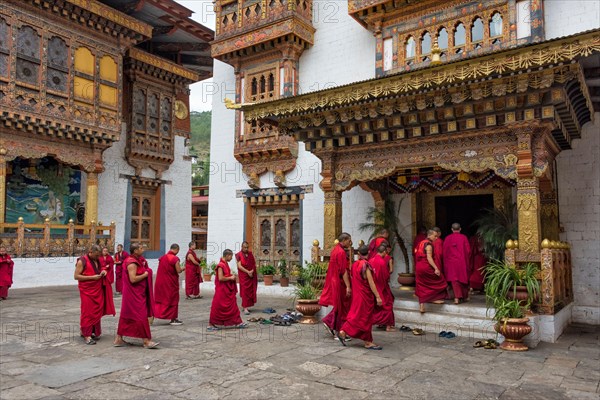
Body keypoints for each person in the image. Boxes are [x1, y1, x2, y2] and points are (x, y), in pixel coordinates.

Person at [114, 243, 159, 349]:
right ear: (135, 251)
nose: (143, 249)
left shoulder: (138, 260)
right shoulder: (131, 263)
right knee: (141, 316)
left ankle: (118, 339)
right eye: (141, 248)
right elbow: (133, 279)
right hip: (133, 295)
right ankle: (146, 341)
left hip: (138, 292)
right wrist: (146, 274)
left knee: (128, 314)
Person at [337, 245, 383, 350]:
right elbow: (371, 283)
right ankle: (366, 341)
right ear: (369, 253)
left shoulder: (355, 265)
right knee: (363, 318)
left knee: (358, 315)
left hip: (357, 295)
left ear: (358, 254)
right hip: (365, 296)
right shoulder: (366, 265)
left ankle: (344, 332)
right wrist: (378, 296)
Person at [74, 244, 115, 345]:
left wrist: (103, 272)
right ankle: (87, 335)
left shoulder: (97, 260)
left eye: (99, 256)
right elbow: (76, 276)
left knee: (96, 310)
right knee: (87, 311)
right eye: (96, 255)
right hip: (87, 290)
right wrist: (92, 277)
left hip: (97, 289)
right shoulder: (82, 261)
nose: (98, 258)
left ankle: (88, 331)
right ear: (90, 252)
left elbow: (100, 270)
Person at [320, 232, 352, 337]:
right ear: (344, 240)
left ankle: (331, 323)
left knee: (341, 305)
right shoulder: (341, 252)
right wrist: (348, 286)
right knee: (343, 306)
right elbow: (343, 271)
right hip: (339, 282)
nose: (350, 242)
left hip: (334, 280)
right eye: (349, 240)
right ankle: (336, 329)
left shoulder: (336, 250)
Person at [208, 249, 247, 330]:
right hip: (222, 291)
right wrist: (230, 277)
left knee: (232, 306)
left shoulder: (225, 264)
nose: (232, 258)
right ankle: (211, 324)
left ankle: (238, 322)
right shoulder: (220, 265)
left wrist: (230, 275)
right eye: (231, 256)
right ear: (227, 255)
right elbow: (221, 278)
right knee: (217, 307)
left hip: (227, 291)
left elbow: (225, 275)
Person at [415, 229, 447, 313]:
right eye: (435, 236)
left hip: (418, 266)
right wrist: (436, 268)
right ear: (429, 235)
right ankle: (433, 298)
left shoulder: (420, 243)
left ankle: (422, 306)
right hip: (426, 266)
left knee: (422, 285)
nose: (436, 238)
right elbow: (429, 258)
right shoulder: (428, 245)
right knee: (440, 281)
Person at [154, 244, 185, 325]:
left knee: (161, 299)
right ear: (177, 249)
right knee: (172, 299)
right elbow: (178, 270)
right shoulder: (174, 258)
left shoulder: (163, 257)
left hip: (160, 282)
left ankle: (154, 313)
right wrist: (183, 268)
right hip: (170, 283)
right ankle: (173, 319)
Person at [443, 223, 472, 304]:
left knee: (454, 280)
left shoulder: (447, 238)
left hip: (451, 262)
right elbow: (468, 251)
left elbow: (444, 252)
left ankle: (457, 298)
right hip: (462, 262)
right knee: (463, 278)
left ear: (452, 229)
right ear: (460, 229)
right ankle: (463, 297)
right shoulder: (464, 238)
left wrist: (446, 262)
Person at [370, 243, 396, 332]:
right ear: (384, 252)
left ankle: (380, 323)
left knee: (377, 306)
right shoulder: (382, 262)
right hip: (382, 287)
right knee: (388, 304)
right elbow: (386, 276)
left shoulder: (371, 260)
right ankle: (388, 326)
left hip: (373, 287)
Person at [236, 241, 258, 315]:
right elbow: (239, 266)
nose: (246, 249)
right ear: (242, 247)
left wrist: (251, 271)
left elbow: (253, 264)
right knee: (245, 291)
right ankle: (245, 308)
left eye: (247, 247)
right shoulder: (239, 255)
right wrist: (247, 272)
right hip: (244, 276)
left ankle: (245, 306)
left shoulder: (250, 254)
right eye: (244, 247)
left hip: (251, 275)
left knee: (250, 291)